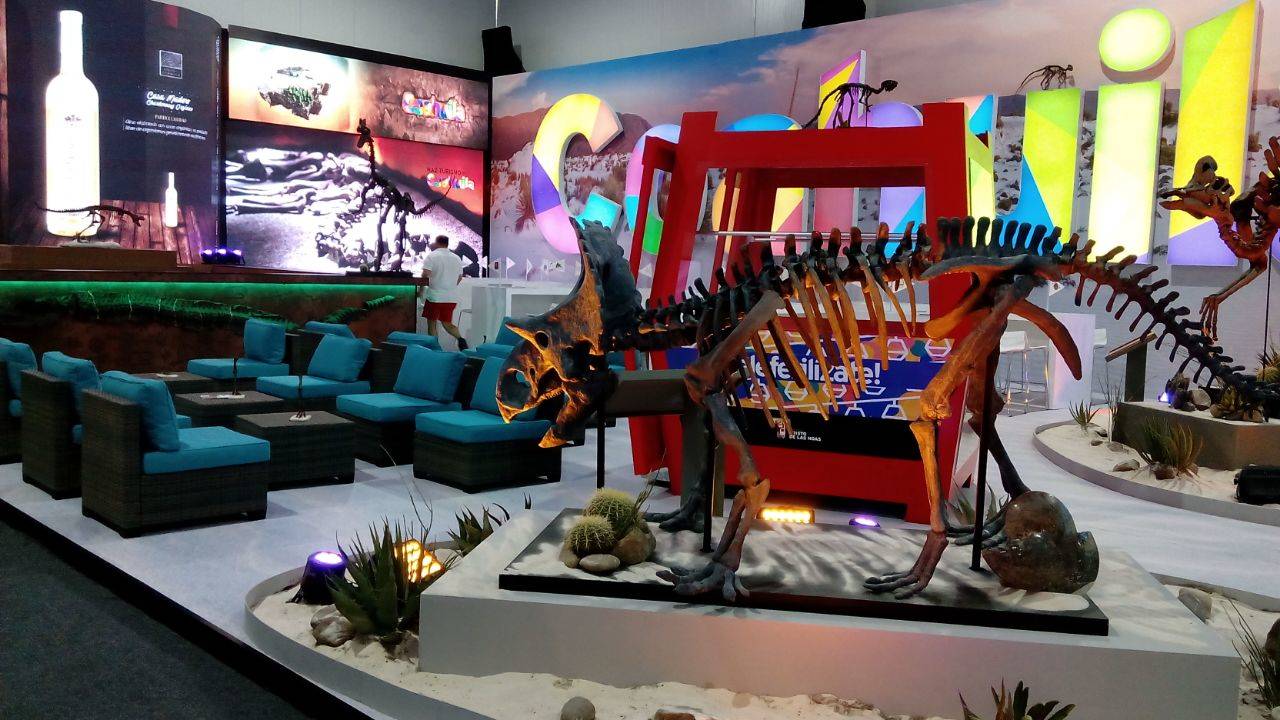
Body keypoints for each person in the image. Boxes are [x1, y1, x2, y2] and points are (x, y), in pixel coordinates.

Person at [419, 235, 468, 349]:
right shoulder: (456, 258)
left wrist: (421, 290)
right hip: (450, 298)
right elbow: (460, 277)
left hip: (435, 297)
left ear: (437, 243)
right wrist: (450, 286)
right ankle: (461, 340)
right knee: (447, 323)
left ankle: (434, 349)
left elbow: (425, 274)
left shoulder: (432, 256)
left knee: (432, 324)